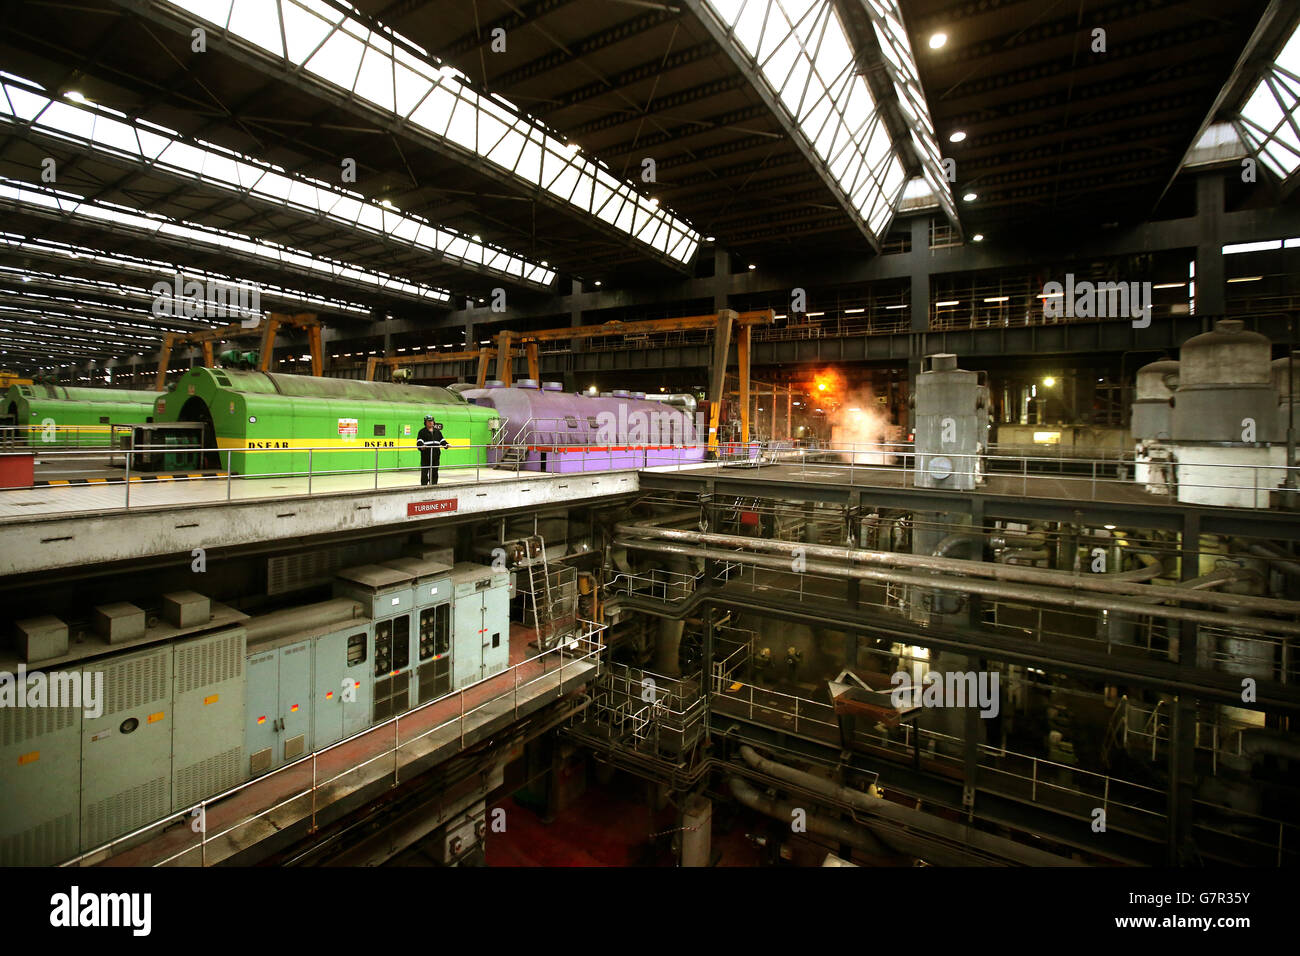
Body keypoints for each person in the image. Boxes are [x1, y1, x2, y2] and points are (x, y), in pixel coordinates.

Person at [416, 415, 450, 485]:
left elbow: (442, 440)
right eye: (429, 421)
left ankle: (434, 486)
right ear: (425, 422)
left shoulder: (437, 432)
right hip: (426, 456)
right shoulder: (422, 432)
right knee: (424, 473)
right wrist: (421, 446)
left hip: (435, 456)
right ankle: (424, 487)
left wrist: (446, 445)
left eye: (432, 421)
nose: (431, 423)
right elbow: (419, 441)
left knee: (434, 472)